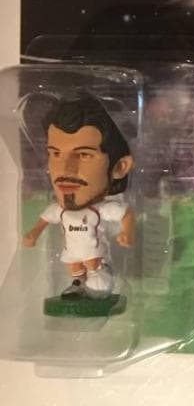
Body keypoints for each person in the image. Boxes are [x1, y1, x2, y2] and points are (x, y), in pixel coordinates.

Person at [22, 95, 135, 300]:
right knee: (74, 268)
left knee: (92, 266)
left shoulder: (101, 209)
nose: (66, 170)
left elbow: (126, 214)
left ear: (120, 167)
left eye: (84, 155)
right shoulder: (59, 210)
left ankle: (98, 281)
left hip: (93, 251)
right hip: (71, 252)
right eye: (56, 154)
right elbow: (44, 220)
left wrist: (127, 232)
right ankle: (77, 285)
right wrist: (33, 234)